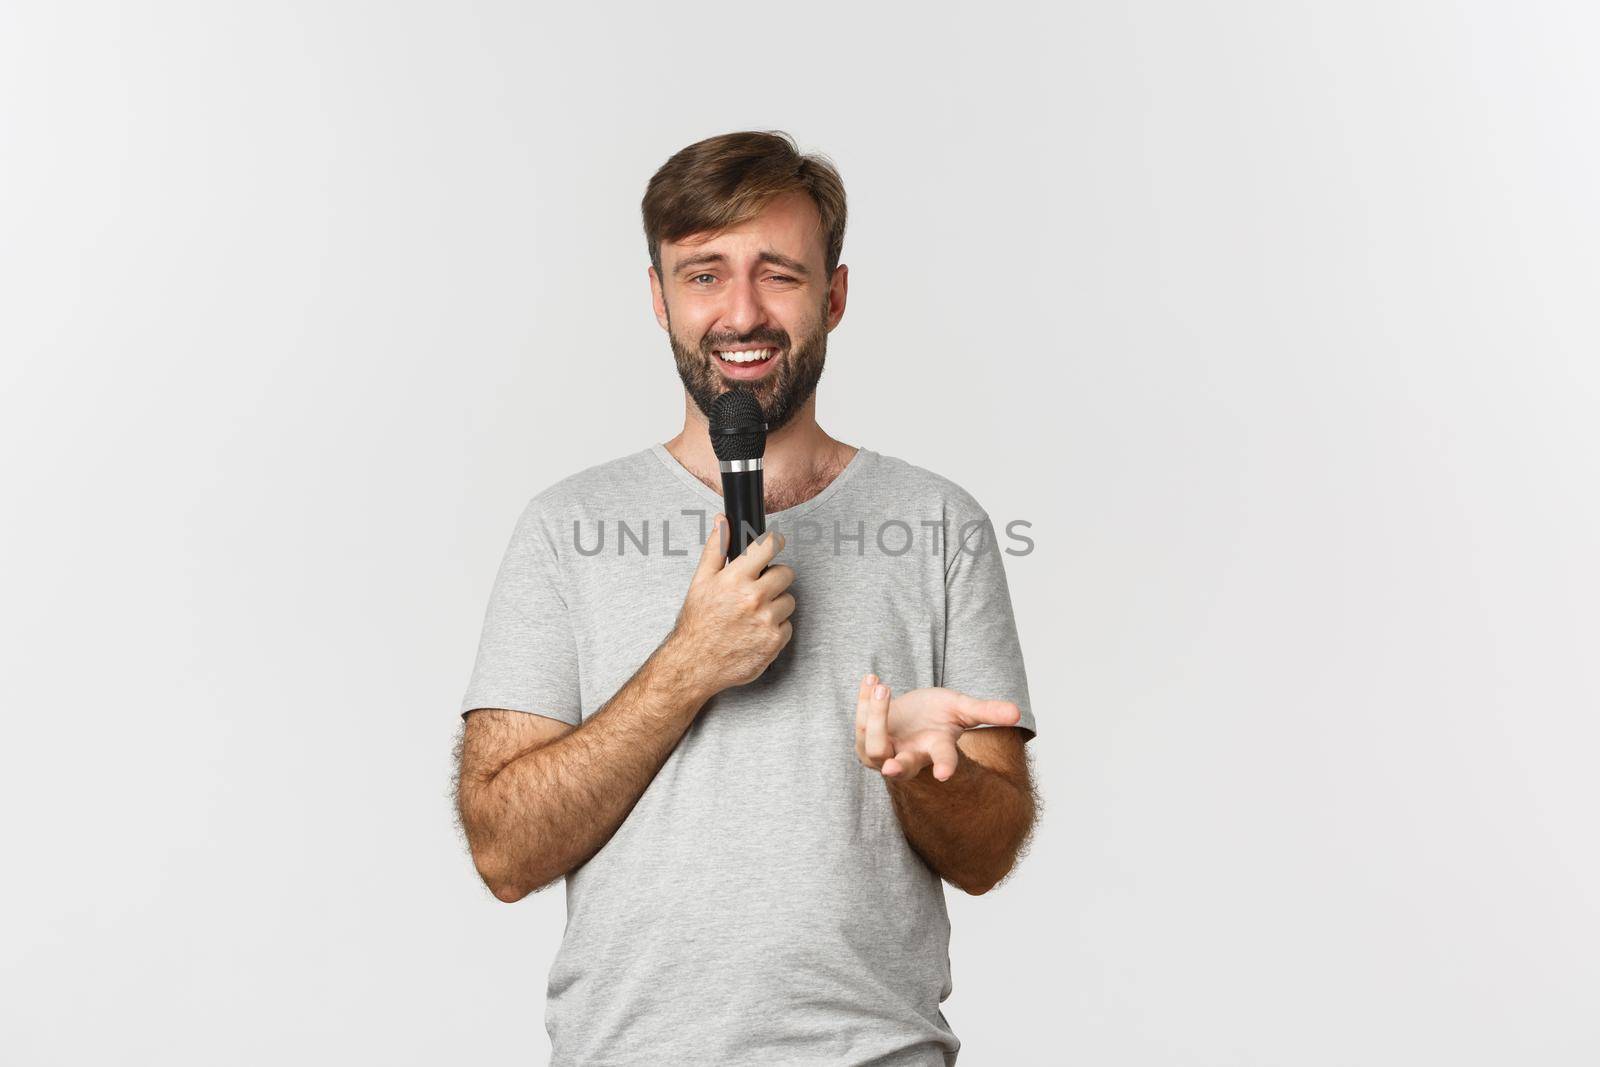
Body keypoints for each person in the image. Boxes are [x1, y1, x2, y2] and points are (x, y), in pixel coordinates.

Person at [453, 130, 1039, 1066]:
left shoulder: (938, 522)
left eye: (779, 274)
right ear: (658, 299)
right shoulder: (566, 526)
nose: (742, 312)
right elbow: (504, 852)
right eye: (703, 274)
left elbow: (988, 852)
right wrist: (686, 667)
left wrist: (933, 773)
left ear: (835, 296)